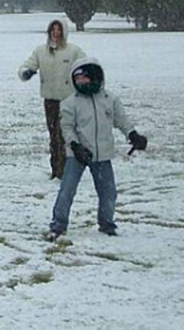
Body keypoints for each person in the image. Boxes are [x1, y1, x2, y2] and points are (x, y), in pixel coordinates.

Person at [46, 58, 147, 241]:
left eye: (84, 78)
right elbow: (67, 129)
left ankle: (106, 223)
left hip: (102, 155)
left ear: (95, 77)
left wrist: (133, 135)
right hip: (78, 155)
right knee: (67, 190)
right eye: (77, 80)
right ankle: (58, 225)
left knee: (109, 192)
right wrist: (76, 147)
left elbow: (121, 121)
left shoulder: (110, 100)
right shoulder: (70, 103)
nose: (81, 82)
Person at [19, 19, 86, 179]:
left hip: (68, 100)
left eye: (59, 30)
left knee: (64, 136)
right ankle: (56, 170)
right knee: (53, 136)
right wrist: (26, 73)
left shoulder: (73, 51)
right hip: (50, 100)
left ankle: (65, 170)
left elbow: (85, 67)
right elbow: (26, 66)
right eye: (53, 30)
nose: (55, 33)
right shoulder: (41, 51)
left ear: (64, 32)